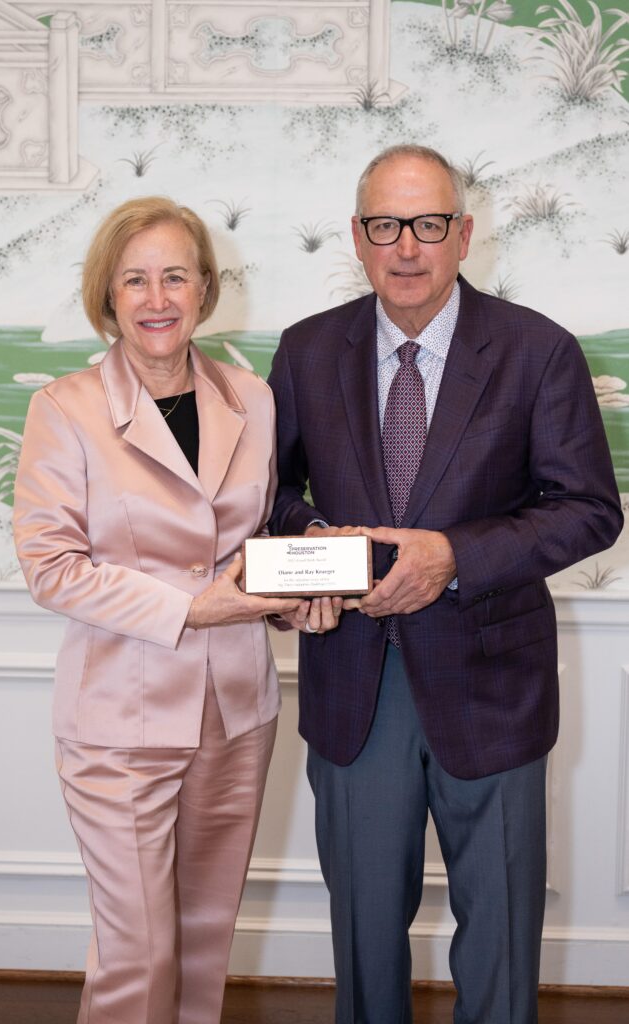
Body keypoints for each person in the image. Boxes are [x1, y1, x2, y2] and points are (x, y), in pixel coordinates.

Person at [267, 145, 623, 1023]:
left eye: (428, 225)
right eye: (385, 226)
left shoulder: (538, 350)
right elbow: (267, 494)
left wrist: (453, 557)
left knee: (499, 945)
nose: (407, 248)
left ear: (463, 235)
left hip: (491, 684)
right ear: (357, 237)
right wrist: (310, 540)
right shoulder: (307, 353)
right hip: (354, 685)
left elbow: (588, 509)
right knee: (362, 938)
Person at [13, 196, 309, 1024]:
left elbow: (259, 543)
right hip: (119, 720)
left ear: (205, 289)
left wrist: (295, 606)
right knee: (137, 954)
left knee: (206, 940)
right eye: (134, 279)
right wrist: (194, 608)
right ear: (106, 295)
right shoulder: (63, 409)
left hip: (237, 712)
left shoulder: (252, 398)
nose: (156, 298)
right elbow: (52, 567)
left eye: (175, 276)